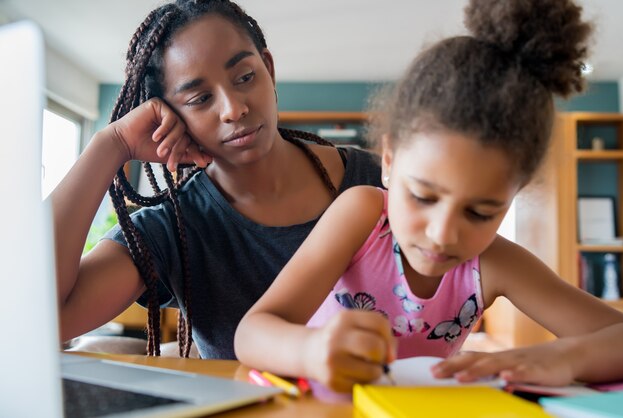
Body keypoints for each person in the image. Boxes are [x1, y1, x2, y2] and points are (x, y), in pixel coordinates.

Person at [234, 0, 623, 393]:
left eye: (480, 212)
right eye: (423, 196)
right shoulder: (362, 213)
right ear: (388, 161)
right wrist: (310, 350)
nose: (442, 234)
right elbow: (251, 333)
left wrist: (564, 356)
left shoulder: (494, 263)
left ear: (513, 198)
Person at [52, 0, 381, 360]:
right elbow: (44, 318)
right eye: (200, 98)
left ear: (268, 69)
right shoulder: (172, 227)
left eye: (244, 77)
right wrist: (109, 145)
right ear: (167, 115)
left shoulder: (385, 183)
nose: (233, 108)